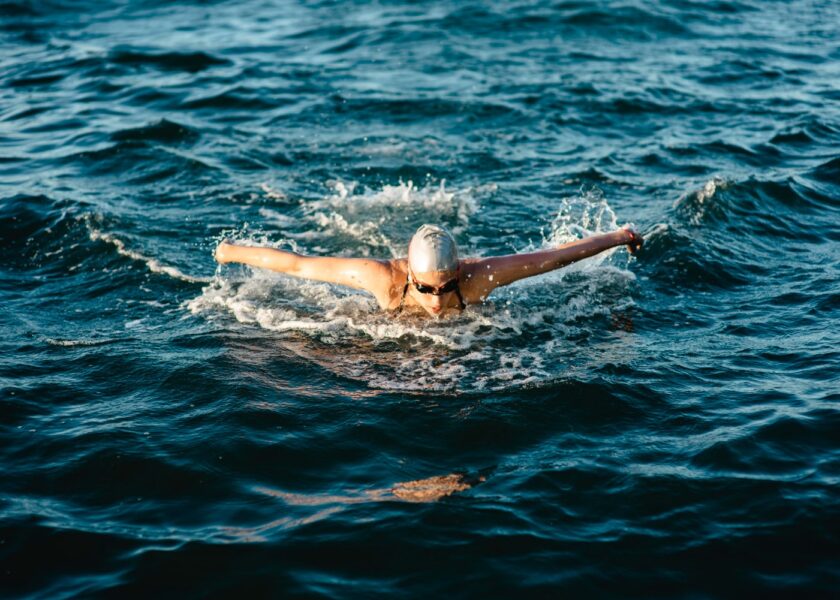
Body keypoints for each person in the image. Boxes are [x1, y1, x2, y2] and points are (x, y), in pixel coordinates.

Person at [214, 224, 643, 317]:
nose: (438, 301)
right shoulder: (381, 278)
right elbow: (298, 264)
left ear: (459, 273)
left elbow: (553, 257)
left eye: (446, 288)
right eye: (427, 289)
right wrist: (231, 251)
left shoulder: (479, 277)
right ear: (410, 278)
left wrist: (619, 236)